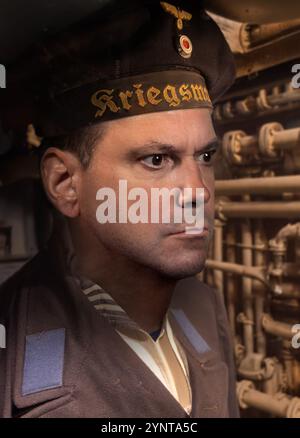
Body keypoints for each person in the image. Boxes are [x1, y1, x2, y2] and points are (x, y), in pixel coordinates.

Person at [0, 0, 239, 418]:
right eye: (157, 160)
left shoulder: (202, 306)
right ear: (65, 183)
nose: (197, 191)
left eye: (205, 156)